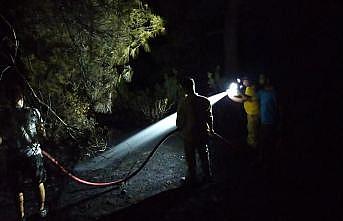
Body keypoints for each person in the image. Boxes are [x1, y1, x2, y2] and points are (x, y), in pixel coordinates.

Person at [0, 86, 48, 221]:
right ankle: (42, 209)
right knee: (38, 181)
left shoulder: (3, 117)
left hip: (13, 156)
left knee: (17, 187)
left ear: (9, 100)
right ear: (21, 99)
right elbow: (43, 134)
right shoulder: (34, 112)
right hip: (33, 154)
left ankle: (21, 217)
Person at [176, 78, 214, 185]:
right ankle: (207, 176)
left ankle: (192, 178)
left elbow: (180, 121)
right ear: (193, 86)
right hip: (202, 134)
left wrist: (180, 129)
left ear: (184, 88)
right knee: (204, 156)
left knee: (190, 158)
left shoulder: (183, 103)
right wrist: (211, 129)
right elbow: (209, 117)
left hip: (189, 136)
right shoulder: (205, 101)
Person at [229, 76, 259, 148]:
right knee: (251, 129)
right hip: (251, 113)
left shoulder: (252, 88)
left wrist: (231, 97)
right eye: (243, 80)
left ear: (249, 81)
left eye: (245, 80)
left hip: (253, 114)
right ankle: (252, 144)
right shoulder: (249, 88)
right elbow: (244, 96)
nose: (243, 82)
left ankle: (253, 146)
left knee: (252, 131)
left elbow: (244, 99)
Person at [257, 74, 279, 163]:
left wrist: (280, 124)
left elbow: (280, 109)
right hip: (263, 123)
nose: (260, 80)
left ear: (267, 79)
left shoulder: (274, 93)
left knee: (270, 145)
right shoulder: (261, 92)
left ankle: (269, 163)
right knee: (263, 144)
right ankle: (263, 161)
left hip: (271, 123)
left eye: (262, 78)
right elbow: (249, 98)